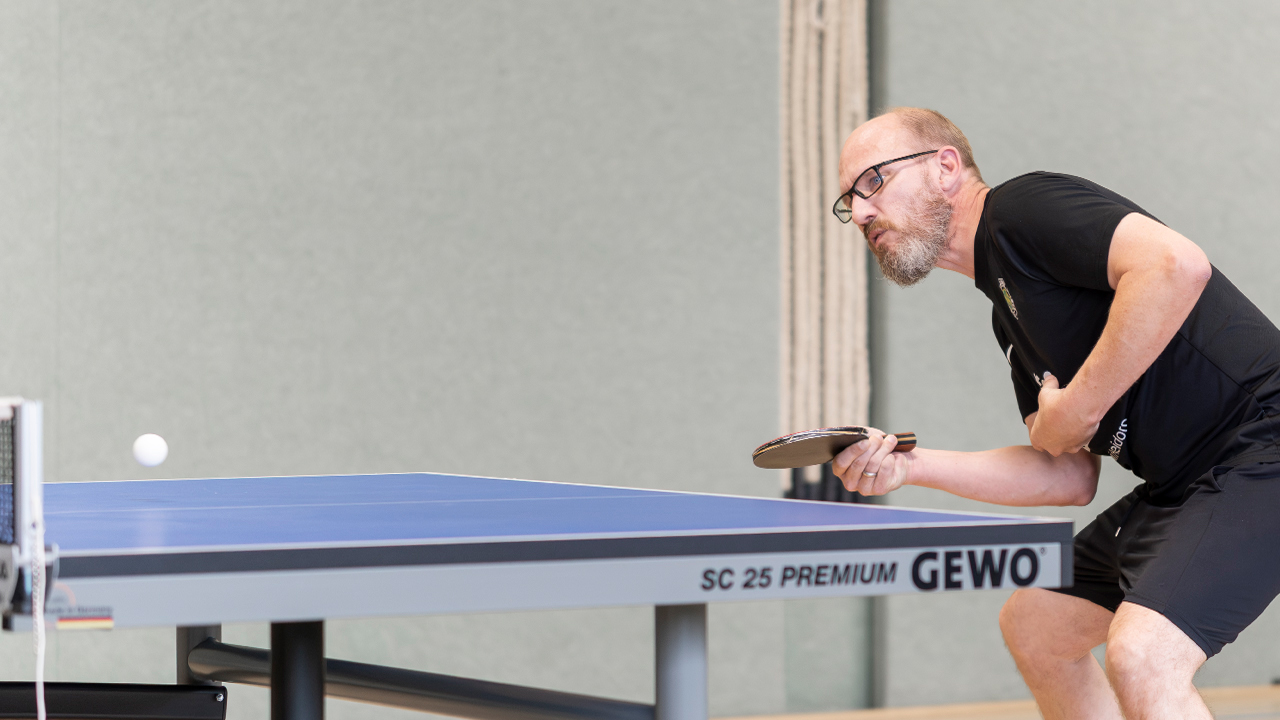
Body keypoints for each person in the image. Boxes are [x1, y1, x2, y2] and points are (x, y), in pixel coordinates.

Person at [830, 107, 1280, 720]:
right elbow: (1066, 474)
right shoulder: (1007, 315)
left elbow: (1175, 266)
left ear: (945, 167)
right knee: (1035, 625)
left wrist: (1079, 407)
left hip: (1262, 445)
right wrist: (911, 466)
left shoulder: (1023, 209)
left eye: (873, 181)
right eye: (849, 201)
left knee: (1144, 654)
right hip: (1182, 484)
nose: (860, 212)